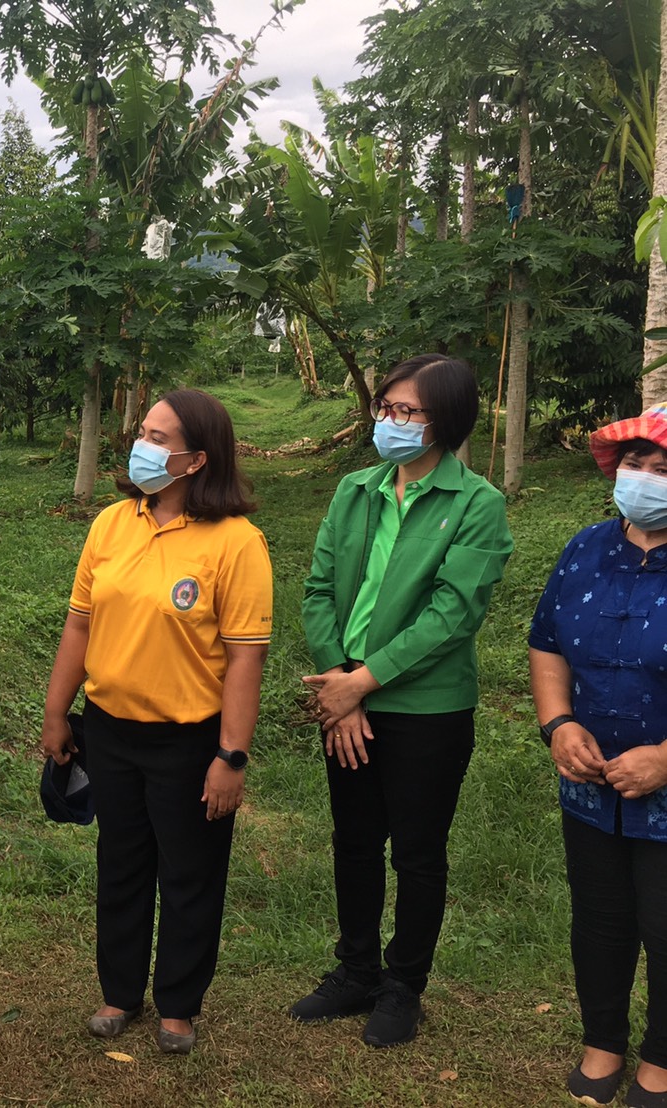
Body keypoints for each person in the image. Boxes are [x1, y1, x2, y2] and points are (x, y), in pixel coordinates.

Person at [39, 389, 272, 1056]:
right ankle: (119, 993)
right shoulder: (112, 523)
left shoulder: (236, 543)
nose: (142, 444)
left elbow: (245, 662)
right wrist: (58, 711)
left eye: (158, 436)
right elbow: (80, 623)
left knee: (191, 873)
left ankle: (178, 1004)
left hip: (190, 740)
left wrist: (231, 757)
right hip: (110, 729)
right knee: (121, 864)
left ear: (197, 459)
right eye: (143, 430)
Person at [293, 354, 513, 1048]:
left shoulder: (476, 504)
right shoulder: (355, 489)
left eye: (405, 411)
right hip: (345, 695)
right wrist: (342, 684)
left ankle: (402, 986)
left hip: (427, 709)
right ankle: (355, 971)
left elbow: (453, 613)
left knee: (417, 853)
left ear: (443, 419)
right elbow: (319, 590)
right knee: (354, 841)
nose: (389, 421)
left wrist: (368, 679)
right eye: (385, 408)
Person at [529, 404, 667, 1108]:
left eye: (663, 469)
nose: (644, 478)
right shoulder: (586, 546)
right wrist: (558, 723)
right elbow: (548, 640)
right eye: (637, 464)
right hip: (591, 779)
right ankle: (602, 1040)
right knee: (602, 916)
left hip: (665, 783)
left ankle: (661, 1062)